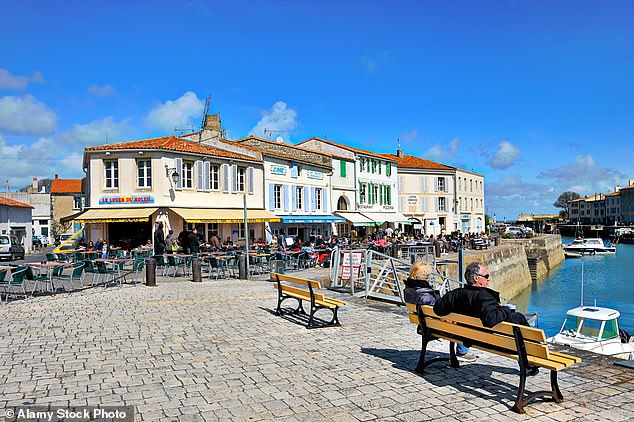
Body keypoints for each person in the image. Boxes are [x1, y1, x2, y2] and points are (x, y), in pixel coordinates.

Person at [433, 261, 537, 372]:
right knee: (518, 318)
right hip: (487, 341)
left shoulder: (456, 294)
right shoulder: (484, 297)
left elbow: (437, 309)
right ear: (476, 278)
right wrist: (505, 309)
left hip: (466, 336)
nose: (489, 279)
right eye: (486, 276)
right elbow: (490, 320)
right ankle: (529, 364)